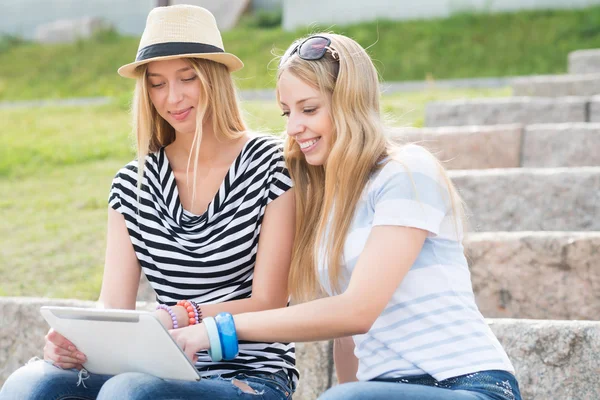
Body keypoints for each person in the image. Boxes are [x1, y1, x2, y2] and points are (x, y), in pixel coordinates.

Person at [169, 33, 523, 400]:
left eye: (309, 109)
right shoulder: (330, 201)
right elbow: (349, 338)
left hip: (465, 385)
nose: (292, 128)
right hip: (381, 391)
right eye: (287, 113)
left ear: (350, 103)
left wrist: (216, 330)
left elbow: (357, 310)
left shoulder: (406, 171)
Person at [0, 5, 297, 400]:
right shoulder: (132, 184)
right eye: (157, 84)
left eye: (187, 78)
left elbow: (269, 301)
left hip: (250, 376)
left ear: (215, 77)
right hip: (158, 366)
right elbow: (114, 305)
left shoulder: (272, 165)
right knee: (31, 385)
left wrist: (176, 316)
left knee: (129, 392)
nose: (172, 97)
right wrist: (72, 342)